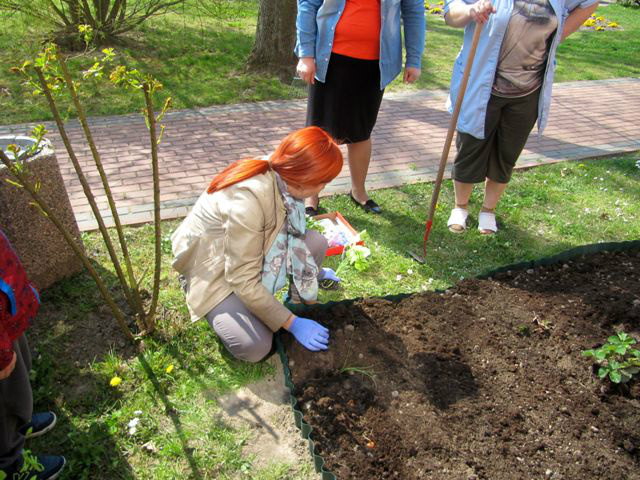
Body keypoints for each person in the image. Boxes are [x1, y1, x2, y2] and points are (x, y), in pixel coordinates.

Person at [171, 127, 344, 362]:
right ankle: (201, 294)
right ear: (305, 179)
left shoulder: (285, 176)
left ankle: (294, 304)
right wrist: (292, 324)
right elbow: (242, 278)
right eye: (323, 182)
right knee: (255, 345)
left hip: (248, 253)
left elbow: (292, 235)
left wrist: (316, 271)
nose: (323, 188)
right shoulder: (247, 201)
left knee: (315, 243)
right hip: (214, 271)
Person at [444, 0, 599, 234]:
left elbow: (589, 2)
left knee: (507, 152)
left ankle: (488, 210)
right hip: (481, 83)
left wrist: (560, 34)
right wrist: (470, 10)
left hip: (528, 90)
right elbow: (451, 12)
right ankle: (460, 207)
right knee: (470, 146)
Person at [295, 0, 426, 216]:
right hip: (328, 57)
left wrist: (414, 59)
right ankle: (311, 194)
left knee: (361, 131)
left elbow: (414, 11)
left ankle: (358, 191)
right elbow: (308, 3)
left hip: (375, 62)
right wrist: (306, 54)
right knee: (317, 133)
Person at [0, 229, 65, 480]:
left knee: (18, 375)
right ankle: (9, 466)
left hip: (6, 316)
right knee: (4, 394)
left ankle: (18, 423)